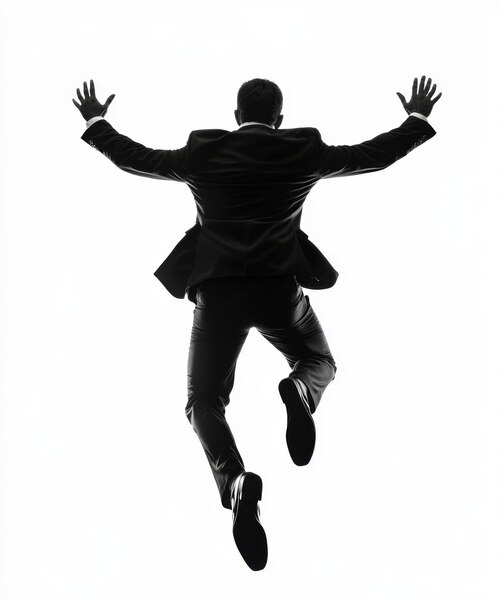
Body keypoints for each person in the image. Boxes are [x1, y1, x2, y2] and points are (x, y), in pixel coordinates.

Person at [73, 75, 441, 571]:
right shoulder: (302, 149)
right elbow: (372, 155)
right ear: (279, 120)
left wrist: (97, 122)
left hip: (217, 293)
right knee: (317, 361)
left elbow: (137, 159)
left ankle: (236, 482)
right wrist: (416, 119)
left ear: (235, 115)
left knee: (204, 401)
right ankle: (301, 391)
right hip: (276, 287)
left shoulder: (203, 152)